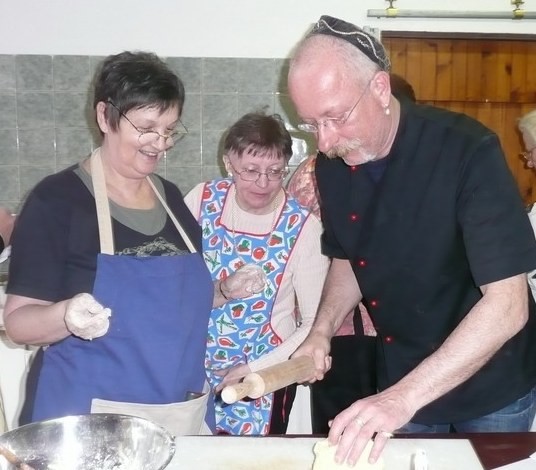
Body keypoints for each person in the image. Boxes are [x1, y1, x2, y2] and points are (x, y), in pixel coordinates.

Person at [287, 15, 536, 466]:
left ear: (380, 89)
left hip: (492, 376)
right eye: (311, 124)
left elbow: (508, 305)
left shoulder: (466, 149)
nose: (324, 142)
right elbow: (349, 257)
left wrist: (400, 399)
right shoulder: (333, 165)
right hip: (404, 368)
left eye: (335, 118)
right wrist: (321, 330)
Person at [3, 51, 220, 435]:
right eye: (147, 127)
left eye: (170, 129)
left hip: (174, 417)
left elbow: (175, 309)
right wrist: (66, 316)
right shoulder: (57, 201)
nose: (160, 143)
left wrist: (223, 291)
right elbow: (19, 323)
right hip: (85, 423)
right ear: (105, 117)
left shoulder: (172, 200)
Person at [286, 73, 416, 434]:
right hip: (342, 329)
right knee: (347, 430)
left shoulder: (406, 171)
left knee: (375, 429)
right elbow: (297, 245)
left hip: (380, 330)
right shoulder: (318, 171)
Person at [184, 111, 329, 436]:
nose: (263, 183)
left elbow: (313, 324)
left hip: (264, 380)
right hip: (194, 371)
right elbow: (175, 286)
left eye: (275, 172)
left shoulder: (303, 228)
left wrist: (253, 370)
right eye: (250, 171)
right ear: (228, 163)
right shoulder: (201, 201)